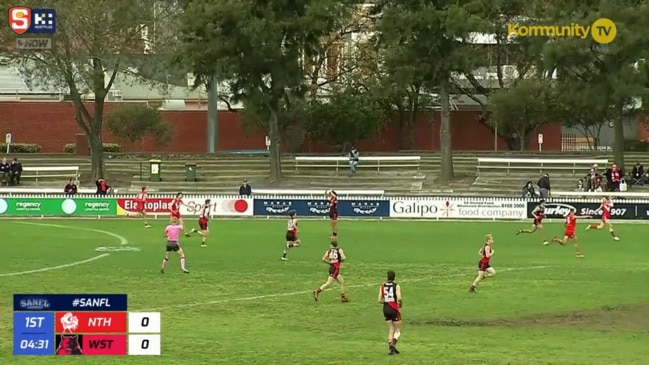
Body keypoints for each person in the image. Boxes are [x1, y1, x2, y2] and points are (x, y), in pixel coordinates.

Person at [378, 270, 402, 355]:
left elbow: (379, 300)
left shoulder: (383, 286)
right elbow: (399, 298)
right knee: (398, 330)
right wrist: (400, 305)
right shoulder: (396, 286)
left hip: (385, 309)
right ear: (394, 277)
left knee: (391, 329)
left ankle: (391, 348)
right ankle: (393, 344)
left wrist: (386, 302)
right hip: (394, 309)